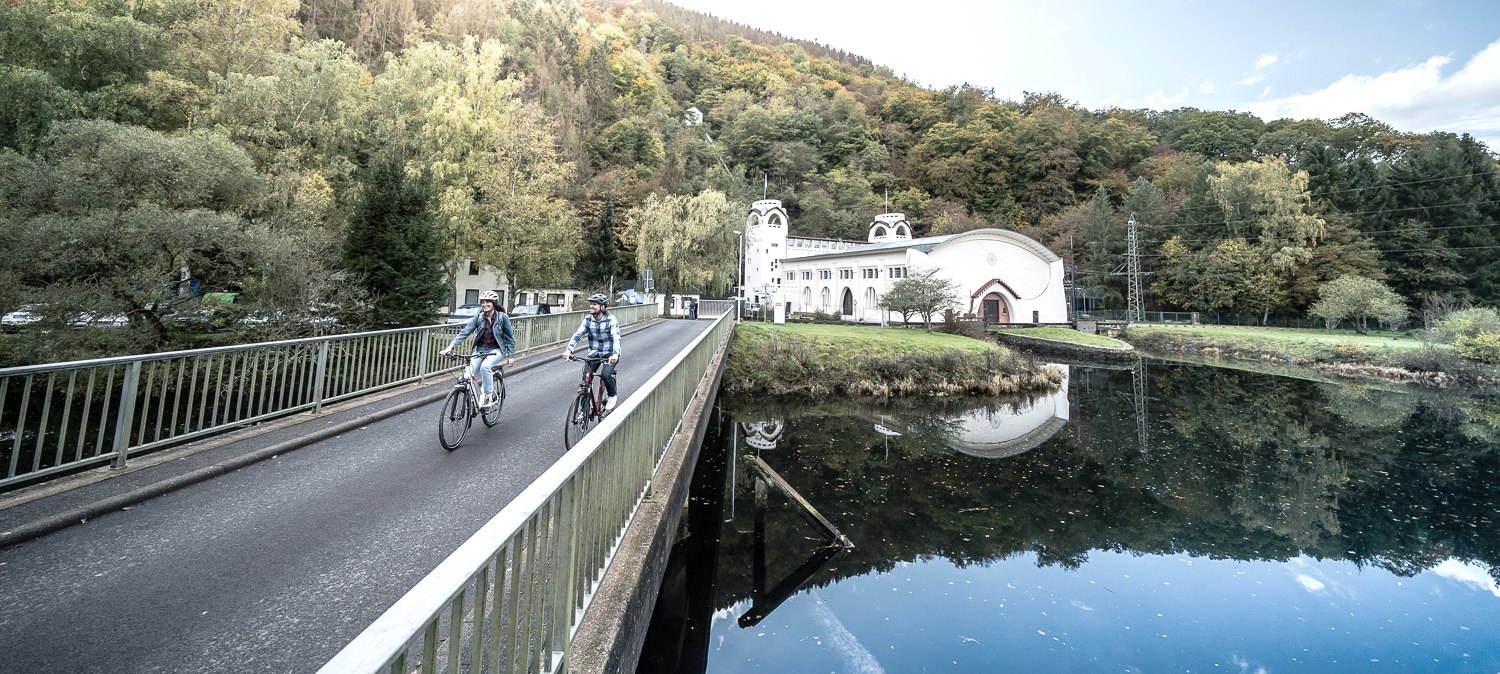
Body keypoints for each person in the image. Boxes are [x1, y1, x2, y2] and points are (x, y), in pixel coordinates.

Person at [440, 290, 515, 407]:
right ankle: (469, 396)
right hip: (481, 350)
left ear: (494, 303)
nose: (485, 304)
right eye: (483, 302)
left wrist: (511, 356)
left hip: (496, 350)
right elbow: (464, 333)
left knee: (485, 367)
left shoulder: (502, 317)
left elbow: (509, 338)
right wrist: (450, 347)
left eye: (488, 302)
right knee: (467, 374)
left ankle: (488, 396)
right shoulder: (479, 318)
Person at [561, 292, 621, 410]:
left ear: (602, 307)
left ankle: (612, 395)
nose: (591, 306)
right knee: (585, 382)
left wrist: (615, 354)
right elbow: (578, 335)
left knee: (605, 375)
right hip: (594, 353)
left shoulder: (611, 320)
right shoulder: (588, 319)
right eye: (591, 304)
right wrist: (568, 350)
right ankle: (584, 412)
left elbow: (616, 337)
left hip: (609, 354)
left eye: (594, 304)